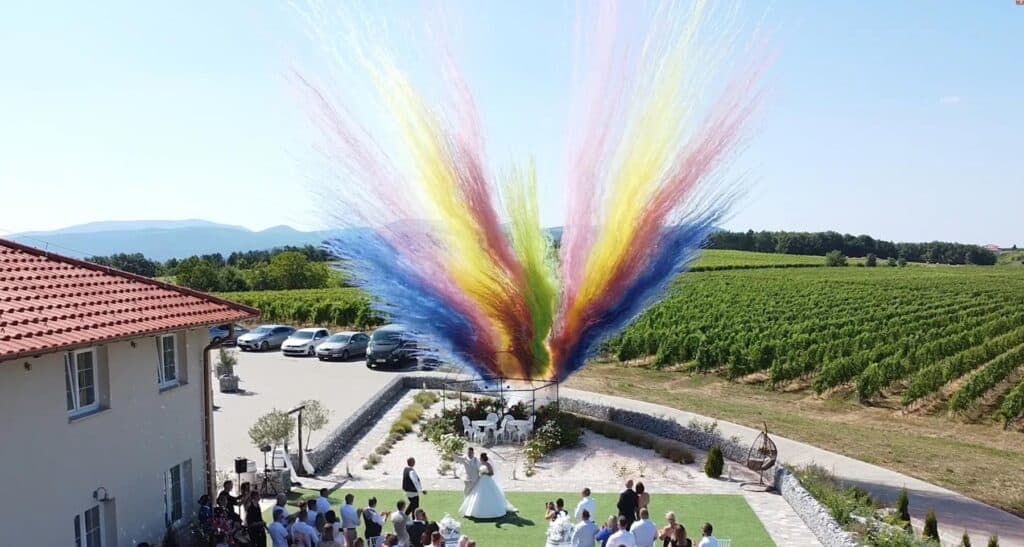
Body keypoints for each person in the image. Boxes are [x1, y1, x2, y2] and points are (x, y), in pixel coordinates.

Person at [458, 452, 517, 518]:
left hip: (487, 480)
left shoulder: (488, 464)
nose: (479, 458)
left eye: (480, 457)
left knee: (489, 493)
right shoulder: (480, 464)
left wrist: (485, 473)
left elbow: (492, 473)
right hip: (481, 480)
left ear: (482, 458)